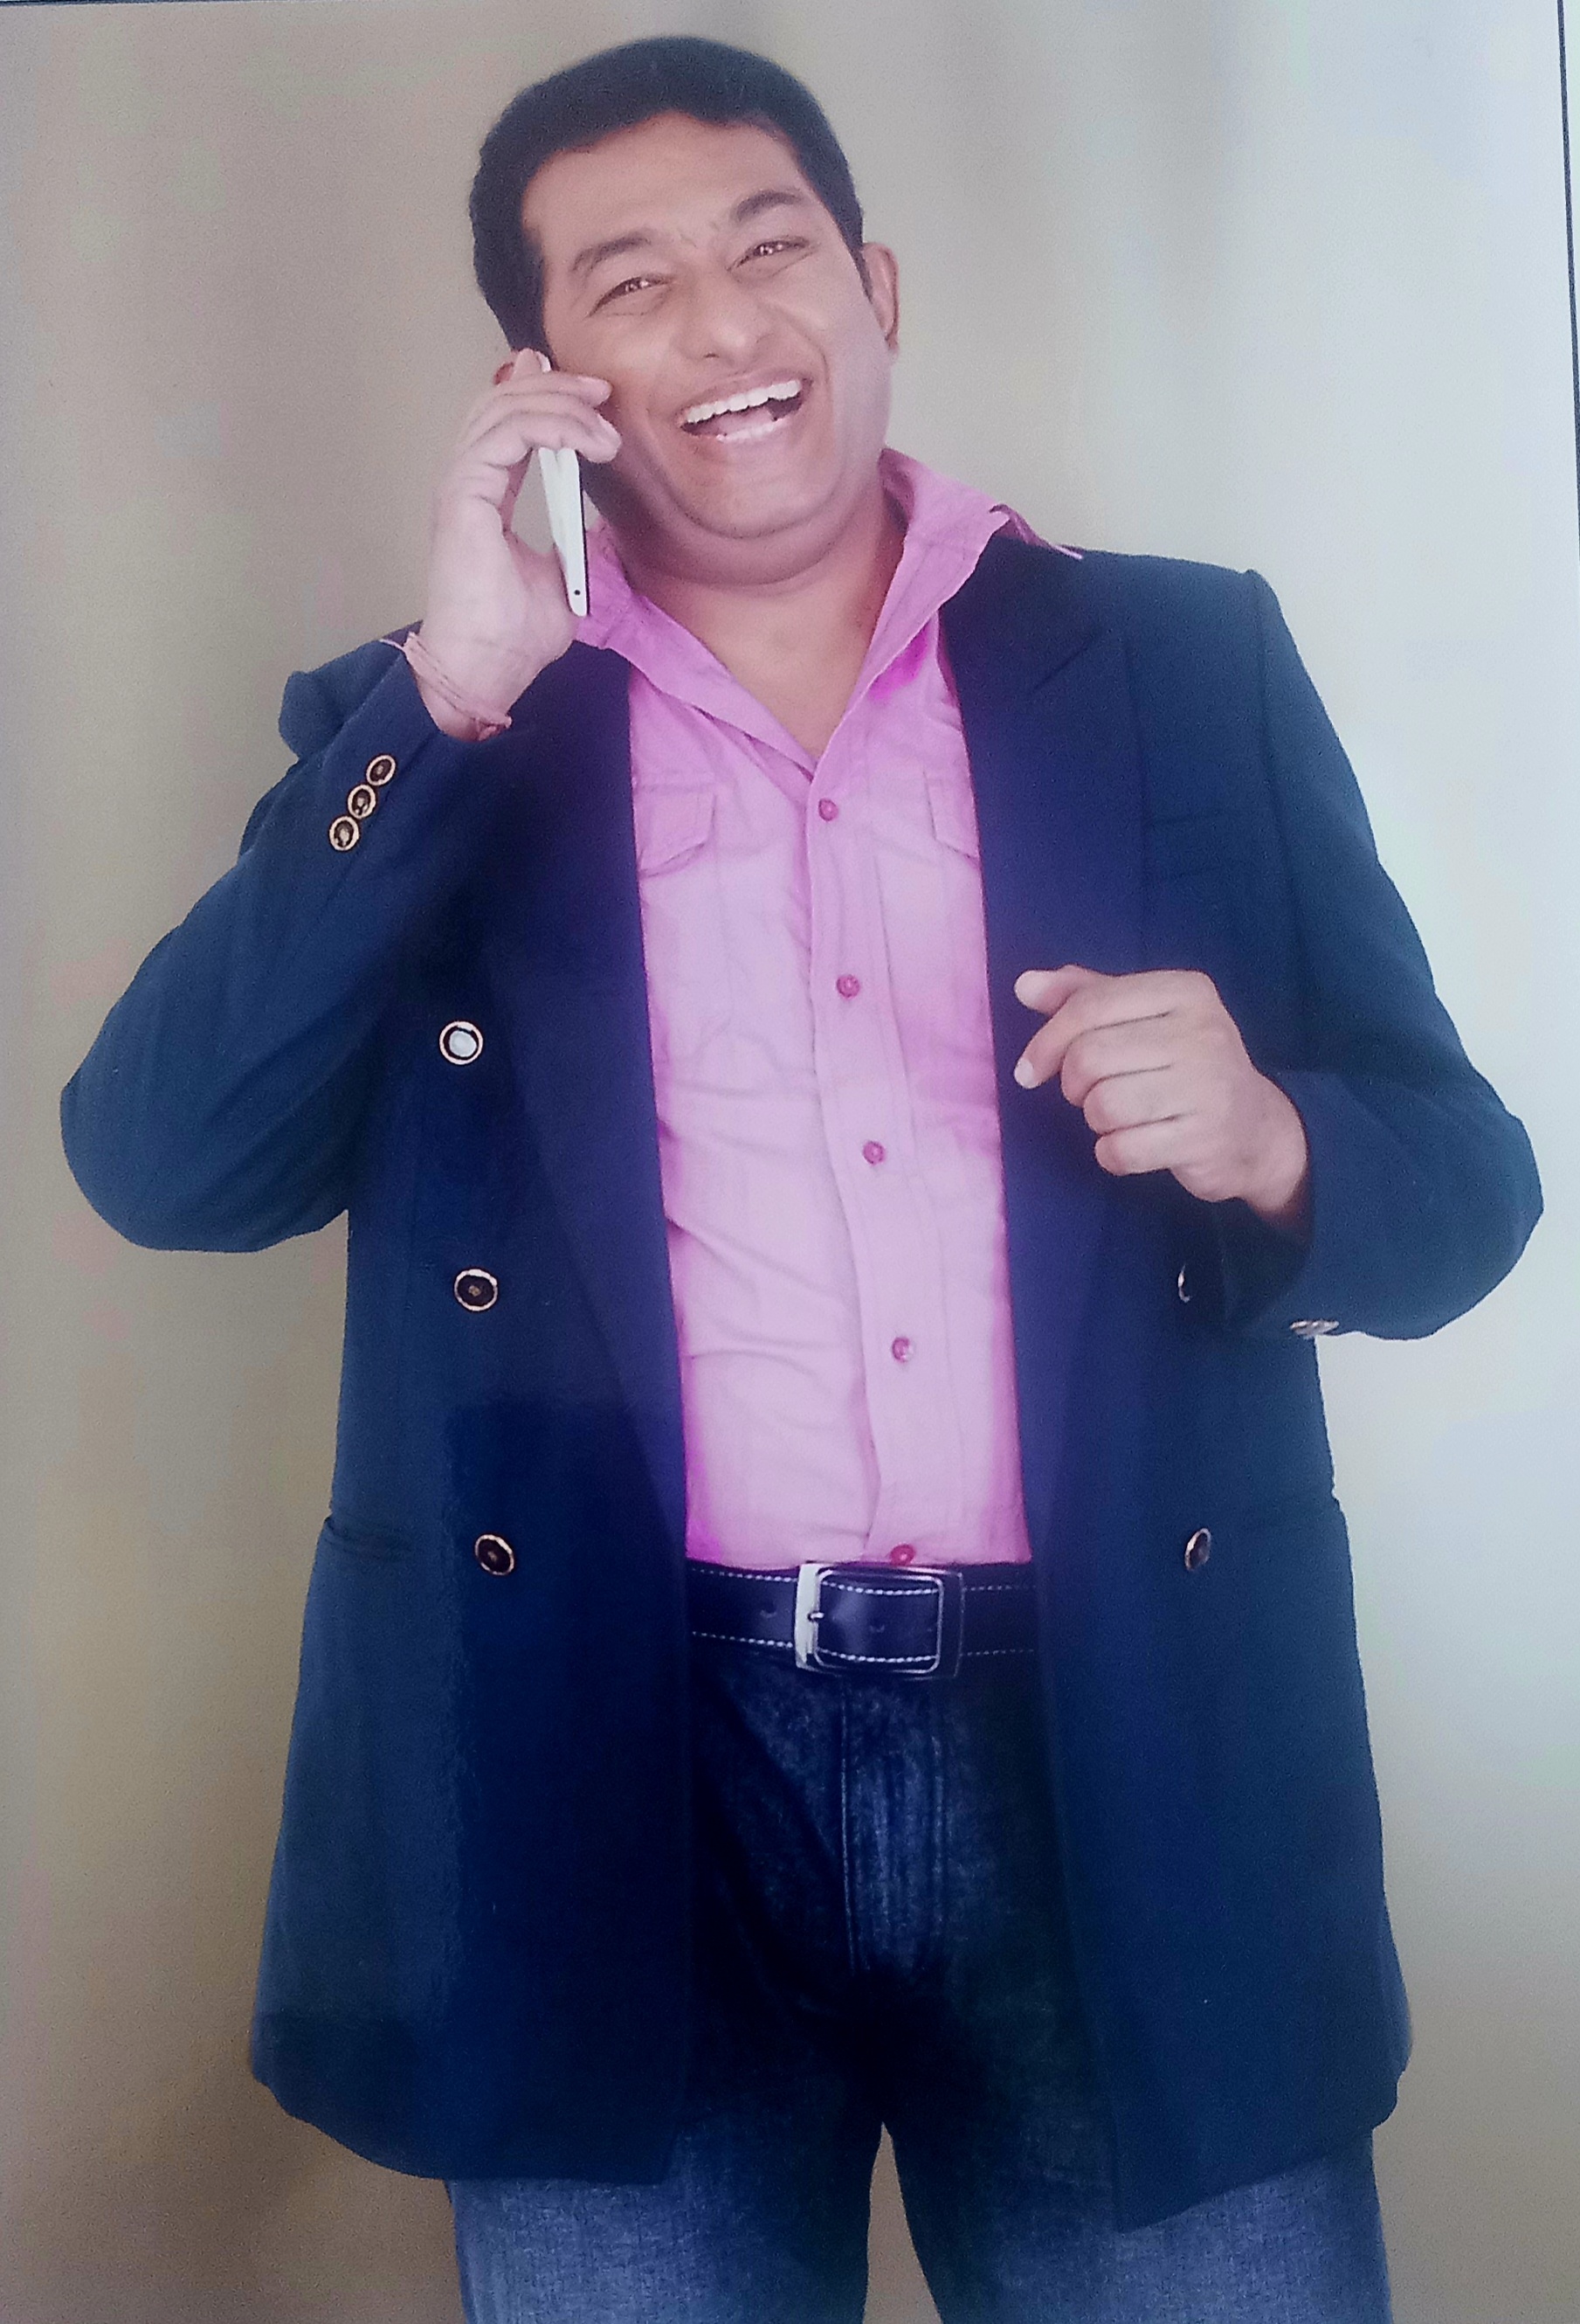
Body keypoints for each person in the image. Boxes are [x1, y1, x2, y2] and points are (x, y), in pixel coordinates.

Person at [59, 34, 1542, 2324]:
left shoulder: (1179, 663)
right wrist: (446, 697)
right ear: (545, 385)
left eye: (771, 250)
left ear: (875, 285)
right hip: (609, 1766)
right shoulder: (441, 724)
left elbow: (1463, 1195)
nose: (724, 324)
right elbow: (166, 1162)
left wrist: (1273, 1138)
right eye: (627, 284)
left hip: (1129, 1746)